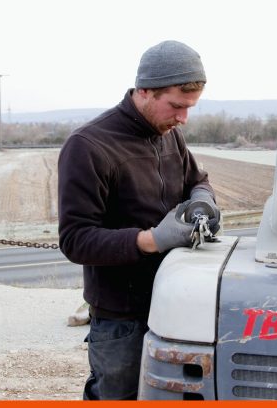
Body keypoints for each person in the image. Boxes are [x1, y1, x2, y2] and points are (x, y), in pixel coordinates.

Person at [57, 40, 220, 400]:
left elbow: (197, 179)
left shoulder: (170, 135)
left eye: (189, 108)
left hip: (177, 300)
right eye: (176, 106)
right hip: (121, 316)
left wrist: (202, 201)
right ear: (144, 90)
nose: (183, 119)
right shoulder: (89, 146)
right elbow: (75, 239)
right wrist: (151, 240)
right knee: (118, 395)